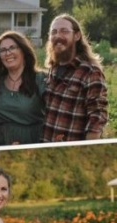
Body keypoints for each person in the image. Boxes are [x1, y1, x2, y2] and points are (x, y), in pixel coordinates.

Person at [42, 14, 108, 142]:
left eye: (64, 31)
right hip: (45, 147)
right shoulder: (52, 69)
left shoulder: (90, 72)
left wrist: (85, 151)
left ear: (77, 36)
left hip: (70, 150)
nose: (58, 36)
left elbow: (97, 119)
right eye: (53, 32)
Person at [0, 31, 46, 145]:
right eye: (3, 50)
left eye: (12, 48)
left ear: (23, 51)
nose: (8, 53)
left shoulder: (41, 79)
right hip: (3, 143)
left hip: (32, 142)